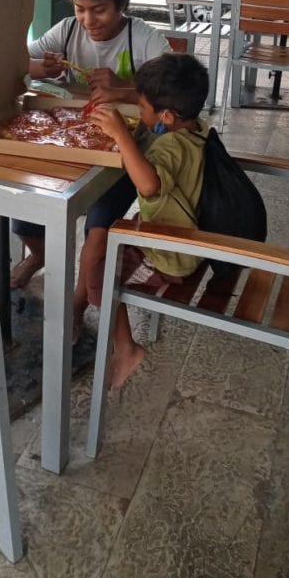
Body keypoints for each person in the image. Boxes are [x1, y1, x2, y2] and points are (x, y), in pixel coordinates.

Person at [10, 0, 170, 323]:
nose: (88, 20)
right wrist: (39, 67)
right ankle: (40, 254)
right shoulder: (66, 31)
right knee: (23, 213)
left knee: (97, 232)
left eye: (99, 9)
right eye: (81, 8)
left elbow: (177, 96)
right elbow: (15, 61)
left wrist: (125, 87)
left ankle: (77, 308)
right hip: (69, 143)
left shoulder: (143, 38)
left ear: (123, 5)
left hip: (123, 154)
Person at [86, 52, 210, 389]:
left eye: (142, 107)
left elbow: (150, 184)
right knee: (109, 241)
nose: (139, 113)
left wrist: (121, 137)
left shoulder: (169, 147)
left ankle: (126, 348)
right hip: (182, 231)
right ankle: (123, 343)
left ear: (167, 115)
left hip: (170, 256)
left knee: (97, 273)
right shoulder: (198, 128)